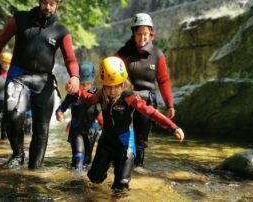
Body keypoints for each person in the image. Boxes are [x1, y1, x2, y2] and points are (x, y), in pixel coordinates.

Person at [0, 0, 80, 169]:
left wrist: (75, 77)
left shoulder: (61, 31)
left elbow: (70, 59)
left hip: (44, 81)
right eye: (45, 2)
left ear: (57, 5)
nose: (48, 7)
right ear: (39, 2)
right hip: (19, 76)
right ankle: (18, 154)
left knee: (41, 130)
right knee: (13, 117)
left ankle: (34, 169)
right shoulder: (20, 19)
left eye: (52, 4)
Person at [74, 56, 184, 190]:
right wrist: (76, 91)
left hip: (125, 144)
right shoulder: (101, 94)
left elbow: (150, 112)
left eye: (117, 86)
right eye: (109, 87)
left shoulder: (129, 96)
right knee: (94, 179)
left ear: (123, 82)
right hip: (106, 142)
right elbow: (89, 99)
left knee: (121, 184)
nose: (112, 91)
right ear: (103, 84)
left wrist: (173, 127)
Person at [115, 13, 175, 167]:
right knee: (122, 138)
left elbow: (163, 80)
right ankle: (120, 167)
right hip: (125, 101)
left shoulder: (157, 55)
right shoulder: (123, 53)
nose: (142, 38)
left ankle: (138, 169)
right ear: (133, 34)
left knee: (140, 142)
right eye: (138, 34)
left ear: (151, 34)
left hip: (147, 102)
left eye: (145, 34)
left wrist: (169, 104)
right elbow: (110, 72)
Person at [55, 61, 103, 172]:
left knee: (86, 162)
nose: (85, 87)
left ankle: (81, 180)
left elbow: (100, 113)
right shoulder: (73, 93)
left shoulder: (97, 94)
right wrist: (59, 113)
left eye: (88, 84)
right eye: (82, 84)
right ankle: (75, 178)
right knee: (78, 156)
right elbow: (62, 107)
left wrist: (103, 125)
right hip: (76, 130)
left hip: (91, 132)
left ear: (93, 82)